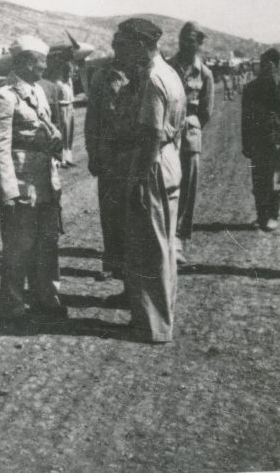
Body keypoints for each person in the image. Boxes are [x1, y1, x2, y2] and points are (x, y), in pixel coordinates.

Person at [0, 34, 66, 319]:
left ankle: (46, 295)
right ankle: (13, 303)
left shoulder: (38, 91)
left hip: (43, 180)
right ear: (27, 63)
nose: (45, 67)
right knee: (19, 246)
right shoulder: (3, 97)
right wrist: (9, 191)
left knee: (46, 242)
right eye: (41, 62)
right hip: (21, 183)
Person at [123, 18, 186, 343]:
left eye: (126, 43)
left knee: (151, 245)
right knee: (164, 241)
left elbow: (150, 134)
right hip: (170, 160)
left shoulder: (152, 78)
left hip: (153, 163)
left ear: (139, 44)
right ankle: (162, 317)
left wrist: (137, 179)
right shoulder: (171, 74)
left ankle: (154, 325)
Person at [84, 32, 129, 280]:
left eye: (122, 47)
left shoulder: (140, 75)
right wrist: (92, 153)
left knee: (131, 212)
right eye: (116, 47)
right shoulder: (101, 77)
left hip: (132, 154)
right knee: (109, 211)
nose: (118, 52)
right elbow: (92, 120)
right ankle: (113, 262)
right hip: (109, 155)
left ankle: (130, 266)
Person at [169, 22, 214, 263]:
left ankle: (178, 239)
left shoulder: (204, 73)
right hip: (167, 136)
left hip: (189, 138)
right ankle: (165, 236)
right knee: (166, 185)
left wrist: (191, 127)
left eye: (190, 39)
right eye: (182, 38)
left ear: (199, 43)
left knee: (187, 188)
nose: (184, 43)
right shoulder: (167, 67)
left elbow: (206, 111)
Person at [242, 48, 280, 231]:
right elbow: (245, 119)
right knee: (259, 181)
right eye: (263, 64)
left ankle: (273, 215)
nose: (263, 67)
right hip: (259, 142)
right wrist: (246, 144)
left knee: (275, 181)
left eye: (268, 64)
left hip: (277, 142)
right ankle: (262, 215)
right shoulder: (250, 88)